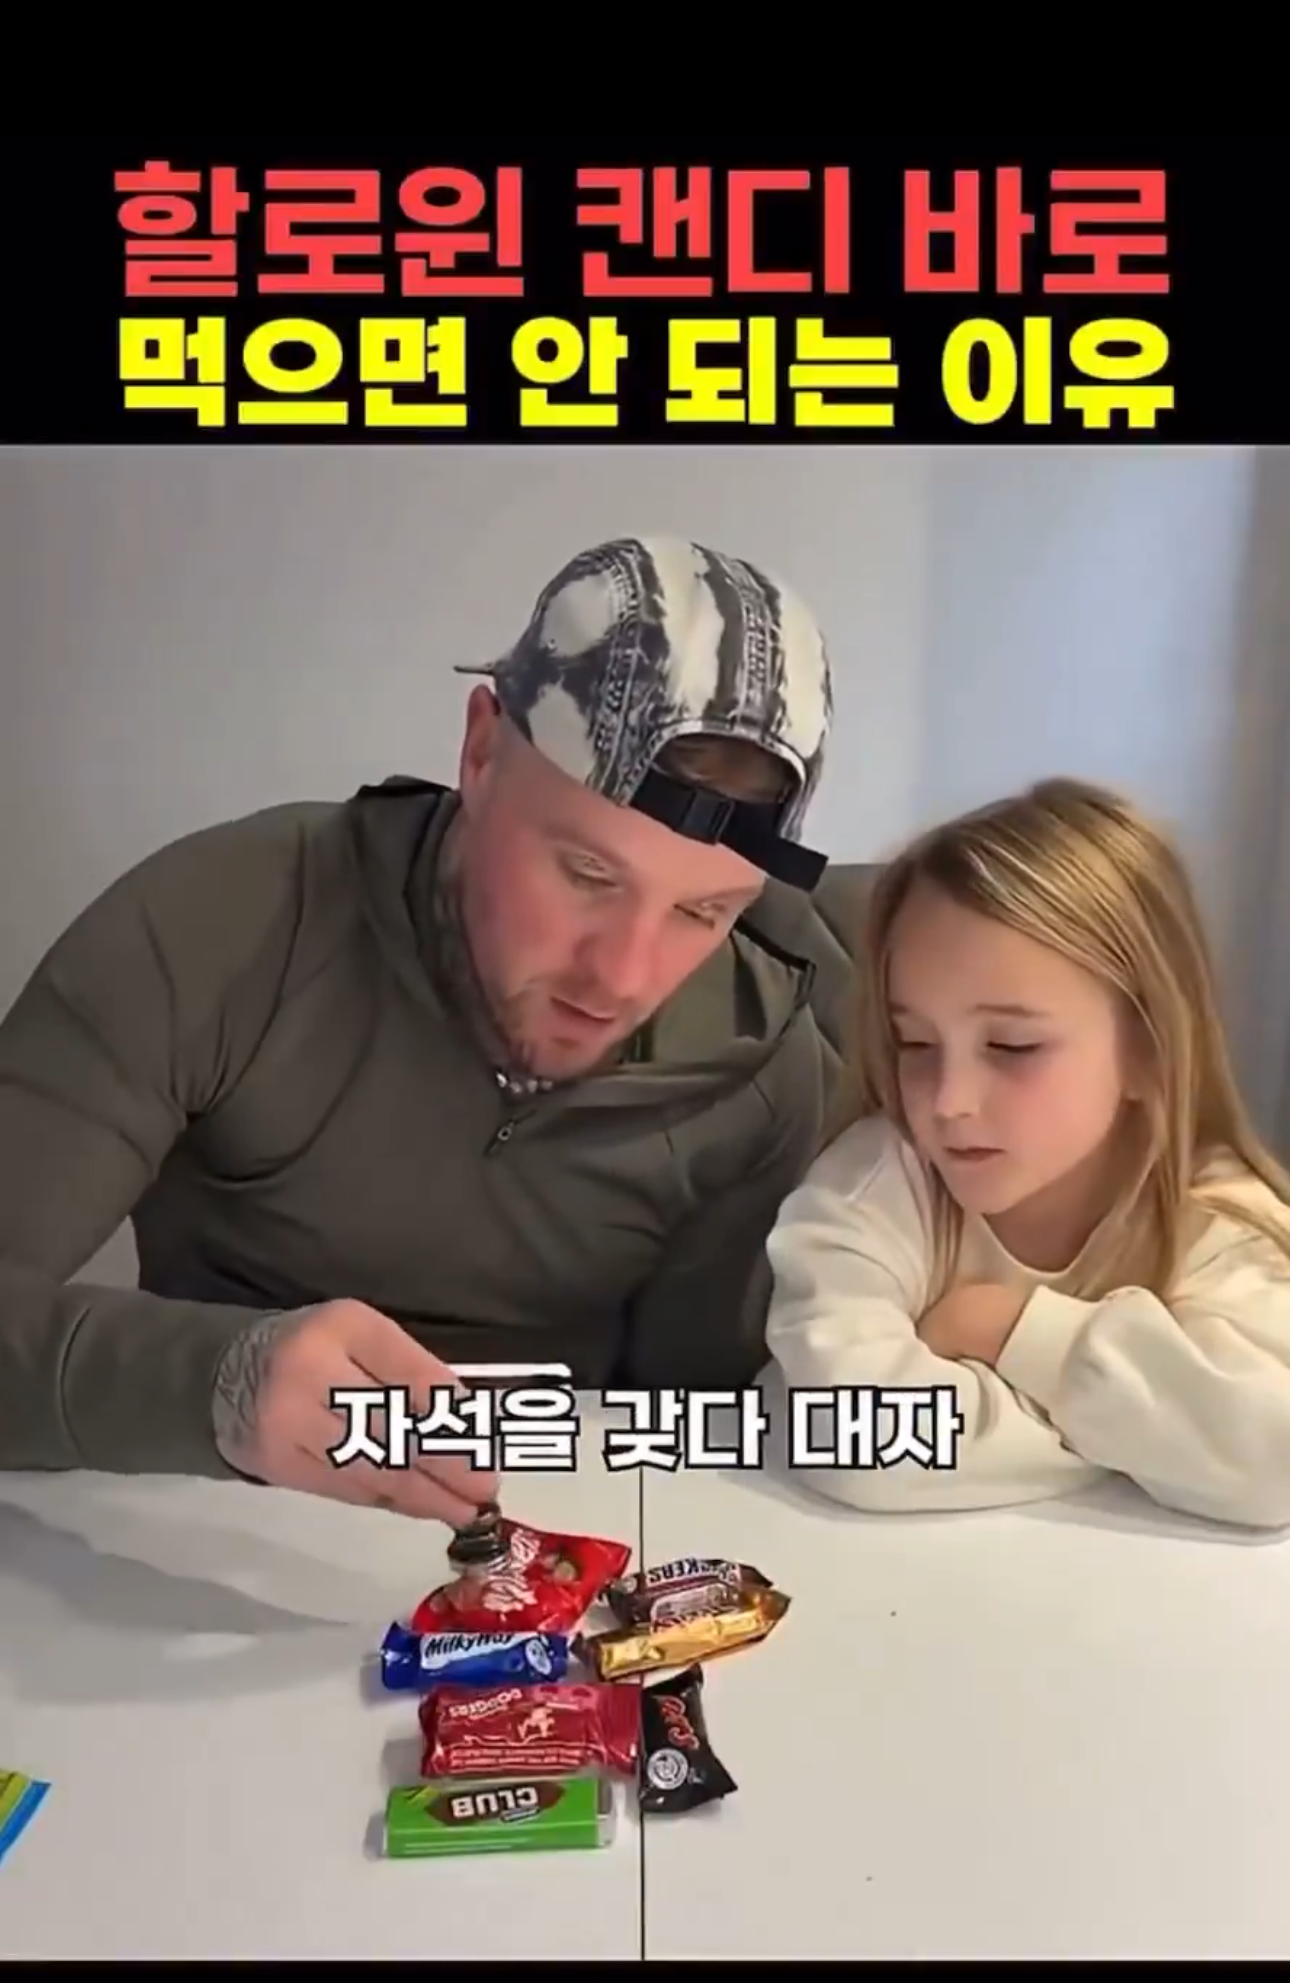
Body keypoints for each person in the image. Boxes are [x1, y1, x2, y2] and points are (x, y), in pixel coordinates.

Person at [0, 534, 847, 1530]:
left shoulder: (761, 1059)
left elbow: (692, 1453)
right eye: (587, 874)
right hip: (201, 1526)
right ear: (481, 753)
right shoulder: (219, 924)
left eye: (702, 913)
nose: (624, 977)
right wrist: (210, 1386)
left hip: (547, 1554)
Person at [764, 775, 1290, 1531]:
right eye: (915, 1042)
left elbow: (1272, 1461)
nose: (947, 1101)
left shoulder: (1216, 1220)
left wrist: (1010, 1330)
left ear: (1149, 1050)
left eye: (1012, 1046)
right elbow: (858, 1437)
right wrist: (1150, 1436)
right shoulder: (878, 1182)